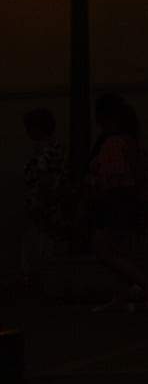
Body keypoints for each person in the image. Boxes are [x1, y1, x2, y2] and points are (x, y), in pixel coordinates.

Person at [81, 93, 148, 312]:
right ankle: (120, 297)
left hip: (115, 201)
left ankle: (147, 284)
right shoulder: (130, 141)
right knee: (118, 251)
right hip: (126, 201)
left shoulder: (113, 143)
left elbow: (116, 177)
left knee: (104, 250)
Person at [17, 106, 65, 288]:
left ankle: (37, 280)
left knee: (39, 243)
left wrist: (40, 201)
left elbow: (45, 179)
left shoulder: (45, 153)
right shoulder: (53, 149)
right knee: (43, 243)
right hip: (48, 203)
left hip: (43, 204)